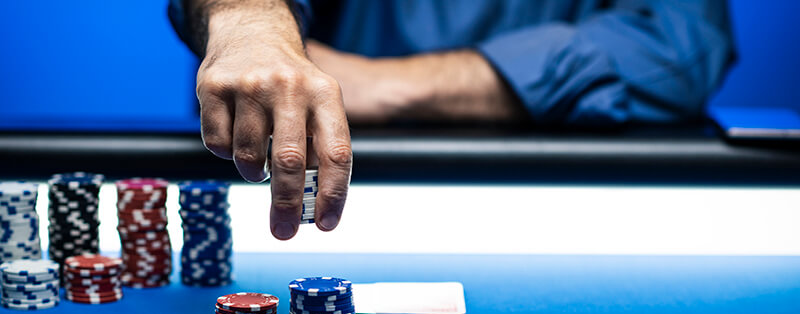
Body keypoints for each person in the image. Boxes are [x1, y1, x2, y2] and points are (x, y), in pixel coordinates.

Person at [168, 0, 734, 240]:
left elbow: (676, 45)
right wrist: (250, 26)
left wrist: (385, 87)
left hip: (574, 214)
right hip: (330, 210)